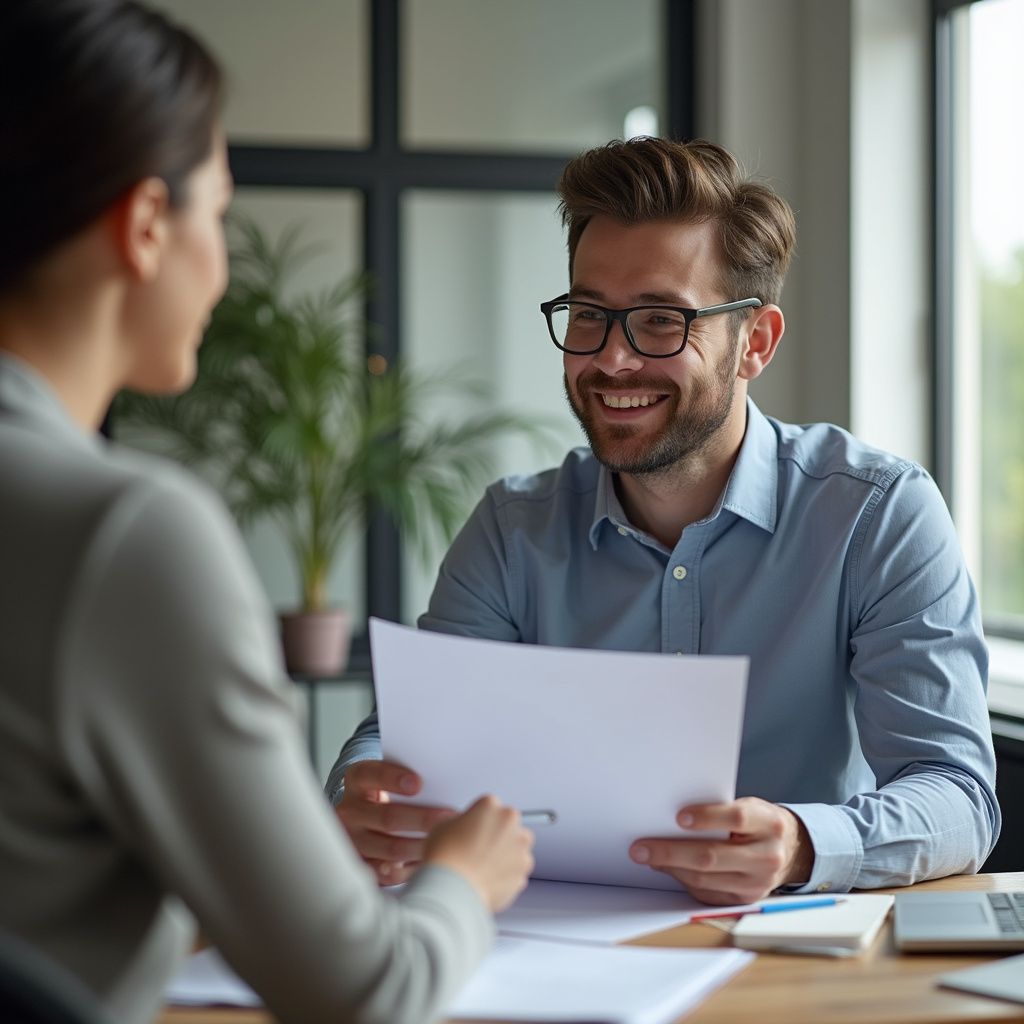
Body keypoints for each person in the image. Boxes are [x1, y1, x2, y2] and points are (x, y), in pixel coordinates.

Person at [0, 3, 534, 1023]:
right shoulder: (123, 535)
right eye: (220, 216)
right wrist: (464, 875)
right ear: (146, 226)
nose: (226, 269)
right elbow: (367, 990)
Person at [328, 136, 1000, 907]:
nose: (611, 361)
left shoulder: (877, 515)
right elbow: (405, 742)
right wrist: (365, 795)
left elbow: (958, 796)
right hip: (548, 951)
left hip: (793, 963)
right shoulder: (513, 530)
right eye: (589, 315)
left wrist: (799, 843)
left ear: (755, 342)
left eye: (659, 321)